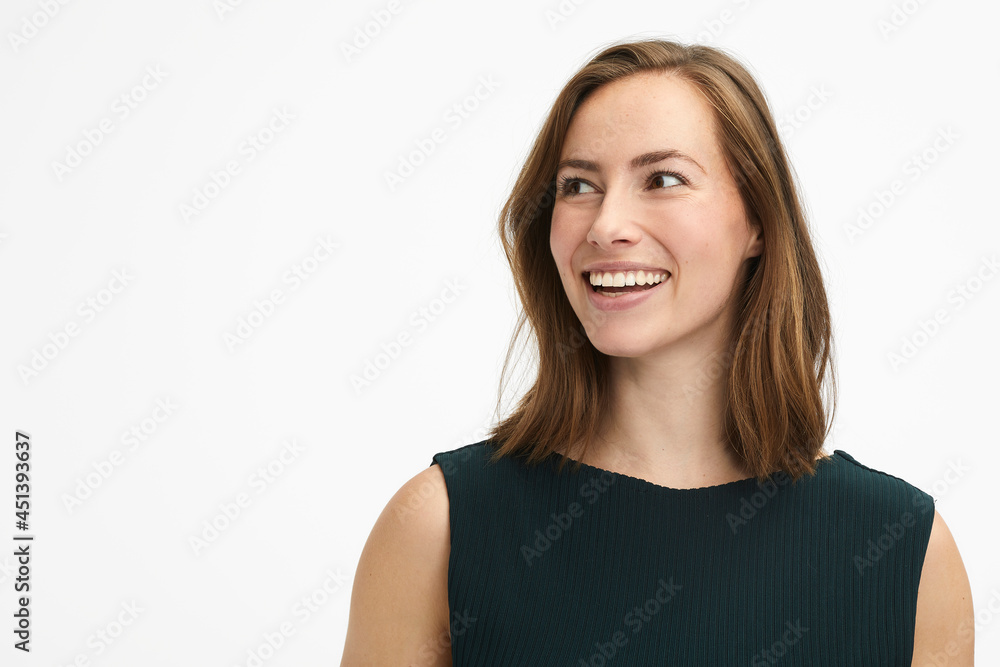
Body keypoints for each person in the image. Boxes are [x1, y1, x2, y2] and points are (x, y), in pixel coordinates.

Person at [340, 38, 974, 665]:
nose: (606, 225)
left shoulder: (904, 549)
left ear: (756, 221)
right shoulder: (439, 530)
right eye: (578, 185)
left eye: (663, 179)